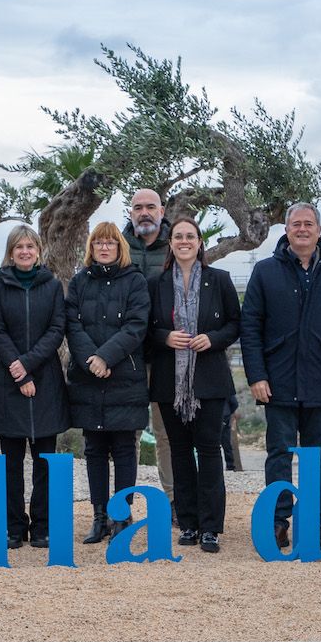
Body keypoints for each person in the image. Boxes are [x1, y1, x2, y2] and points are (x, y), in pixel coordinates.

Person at [241, 202, 321, 554]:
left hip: (320, 379)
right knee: (278, 454)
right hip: (277, 380)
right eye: (295, 224)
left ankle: (314, 525)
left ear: (319, 230)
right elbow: (250, 326)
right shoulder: (265, 272)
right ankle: (278, 525)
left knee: (317, 457)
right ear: (286, 230)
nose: (302, 229)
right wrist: (257, 375)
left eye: (308, 224)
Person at [147, 218, 241, 553]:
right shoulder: (155, 283)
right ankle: (187, 523)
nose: (184, 241)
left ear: (200, 242)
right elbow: (144, 330)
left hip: (209, 381)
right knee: (180, 451)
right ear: (170, 243)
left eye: (190, 236)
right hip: (168, 381)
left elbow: (235, 324)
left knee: (209, 450)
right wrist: (165, 337)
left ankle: (211, 526)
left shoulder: (220, 280)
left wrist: (213, 339)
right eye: (178, 237)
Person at [0, 224, 70, 549]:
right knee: (11, 464)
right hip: (7, 381)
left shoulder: (52, 285)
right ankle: (13, 527)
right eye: (18, 247)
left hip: (46, 382)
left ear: (38, 251)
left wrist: (29, 365)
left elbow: (57, 328)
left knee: (45, 463)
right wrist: (18, 372)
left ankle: (43, 527)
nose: (24, 252)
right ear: (10, 251)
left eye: (30, 247)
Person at [65, 222, 149, 544]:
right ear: (91, 247)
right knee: (94, 449)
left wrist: (106, 358)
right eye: (98, 242)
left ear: (119, 247)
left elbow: (136, 326)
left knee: (125, 448)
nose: (103, 247)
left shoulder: (135, 282)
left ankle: (121, 516)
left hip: (123, 377)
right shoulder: (79, 282)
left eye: (109, 243)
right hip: (88, 378)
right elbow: (72, 325)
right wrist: (92, 361)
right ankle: (99, 517)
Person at [121, 189, 175, 512]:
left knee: (166, 434)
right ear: (131, 213)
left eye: (150, 207)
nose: (144, 212)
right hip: (127, 356)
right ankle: (120, 508)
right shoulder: (118, 246)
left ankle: (173, 501)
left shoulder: (176, 246)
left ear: (161, 210)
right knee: (127, 435)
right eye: (138, 207)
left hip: (166, 355)